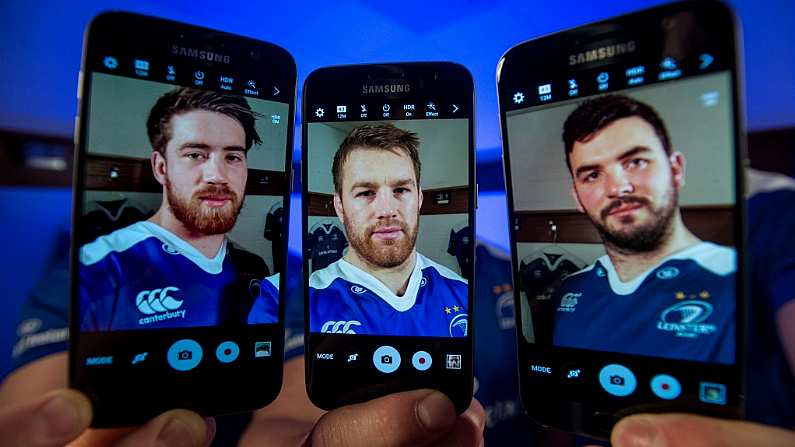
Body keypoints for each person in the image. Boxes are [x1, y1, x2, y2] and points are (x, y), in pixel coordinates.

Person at [551, 94, 736, 364]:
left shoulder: (736, 280)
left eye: (635, 162)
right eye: (592, 175)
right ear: (577, 197)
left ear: (676, 170)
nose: (618, 188)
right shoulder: (570, 290)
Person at [78, 87, 278, 330]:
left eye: (232, 157)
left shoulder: (253, 268)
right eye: (195, 154)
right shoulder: (98, 269)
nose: (217, 176)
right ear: (161, 168)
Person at [309, 123, 468, 337]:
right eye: (366, 192)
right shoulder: (286, 302)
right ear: (340, 206)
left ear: (419, 198)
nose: (387, 210)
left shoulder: (468, 295)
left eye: (401, 189)